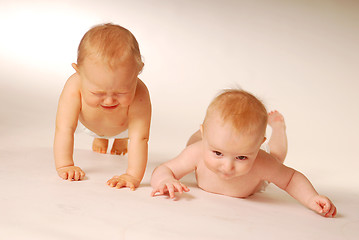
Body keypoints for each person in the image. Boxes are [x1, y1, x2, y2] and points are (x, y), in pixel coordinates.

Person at [151, 89, 337, 217]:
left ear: (257, 146)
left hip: (255, 158)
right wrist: (165, 180)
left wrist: (311, 197)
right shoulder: (198, 153)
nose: (228, 166)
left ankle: (278, 129)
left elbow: (290, 179)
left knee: (276, 157)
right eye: (218, 153)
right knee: (192, 145)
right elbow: (165, 168)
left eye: (241, 157)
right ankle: (204, 135)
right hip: (202, 142)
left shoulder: (261, 162)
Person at [54, 23, 151, 190]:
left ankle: (119, 139)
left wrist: (132, 175)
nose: (109, 101)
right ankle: (101, 137)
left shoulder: (140, 93)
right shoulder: (73, 86)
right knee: (95, 130)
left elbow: (139, 137)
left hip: (124, 126)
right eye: (97, 93)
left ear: (138, 71)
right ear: (79, 72)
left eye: (121, 92)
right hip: (90, 124)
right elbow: (64, 128)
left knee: (128, 135)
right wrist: (65, 165)